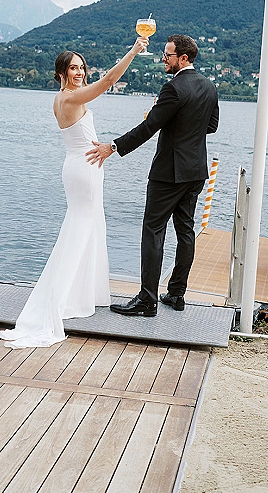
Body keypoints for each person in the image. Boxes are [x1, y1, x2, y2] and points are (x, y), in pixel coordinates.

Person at [0, 35, 149, 349]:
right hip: (84, 169)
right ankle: (61, 299)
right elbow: (108, 80)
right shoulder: (70, 98)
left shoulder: (64, 98)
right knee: (82, 227)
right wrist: (133, 50)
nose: (79, 72)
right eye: (73, 68)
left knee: (86, 226)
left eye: (81, 67)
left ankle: (82, 295)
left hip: (79, 165)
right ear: (62, 73)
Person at [86, 34, 219, 317]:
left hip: (169, 172)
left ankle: (148, 300)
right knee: (185, 231)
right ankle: (176, 294)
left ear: (184, 58)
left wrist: (113, 146)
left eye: (168, 55)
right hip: (195, 171)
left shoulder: (172, 89)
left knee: (153, 230)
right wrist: (179, 124)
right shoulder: (209, 87)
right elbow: (211, 126)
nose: (163, 59)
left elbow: (149, 128)